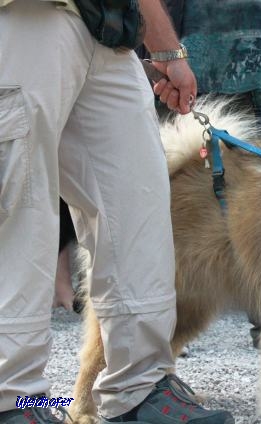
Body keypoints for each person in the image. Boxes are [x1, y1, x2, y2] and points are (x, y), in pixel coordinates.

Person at [0, 1, 233, 423]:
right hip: (24, 14)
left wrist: (167, 51)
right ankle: (13, 402)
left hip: (107, 24)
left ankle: (138, 390)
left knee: (137, 203)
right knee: (20, 209)